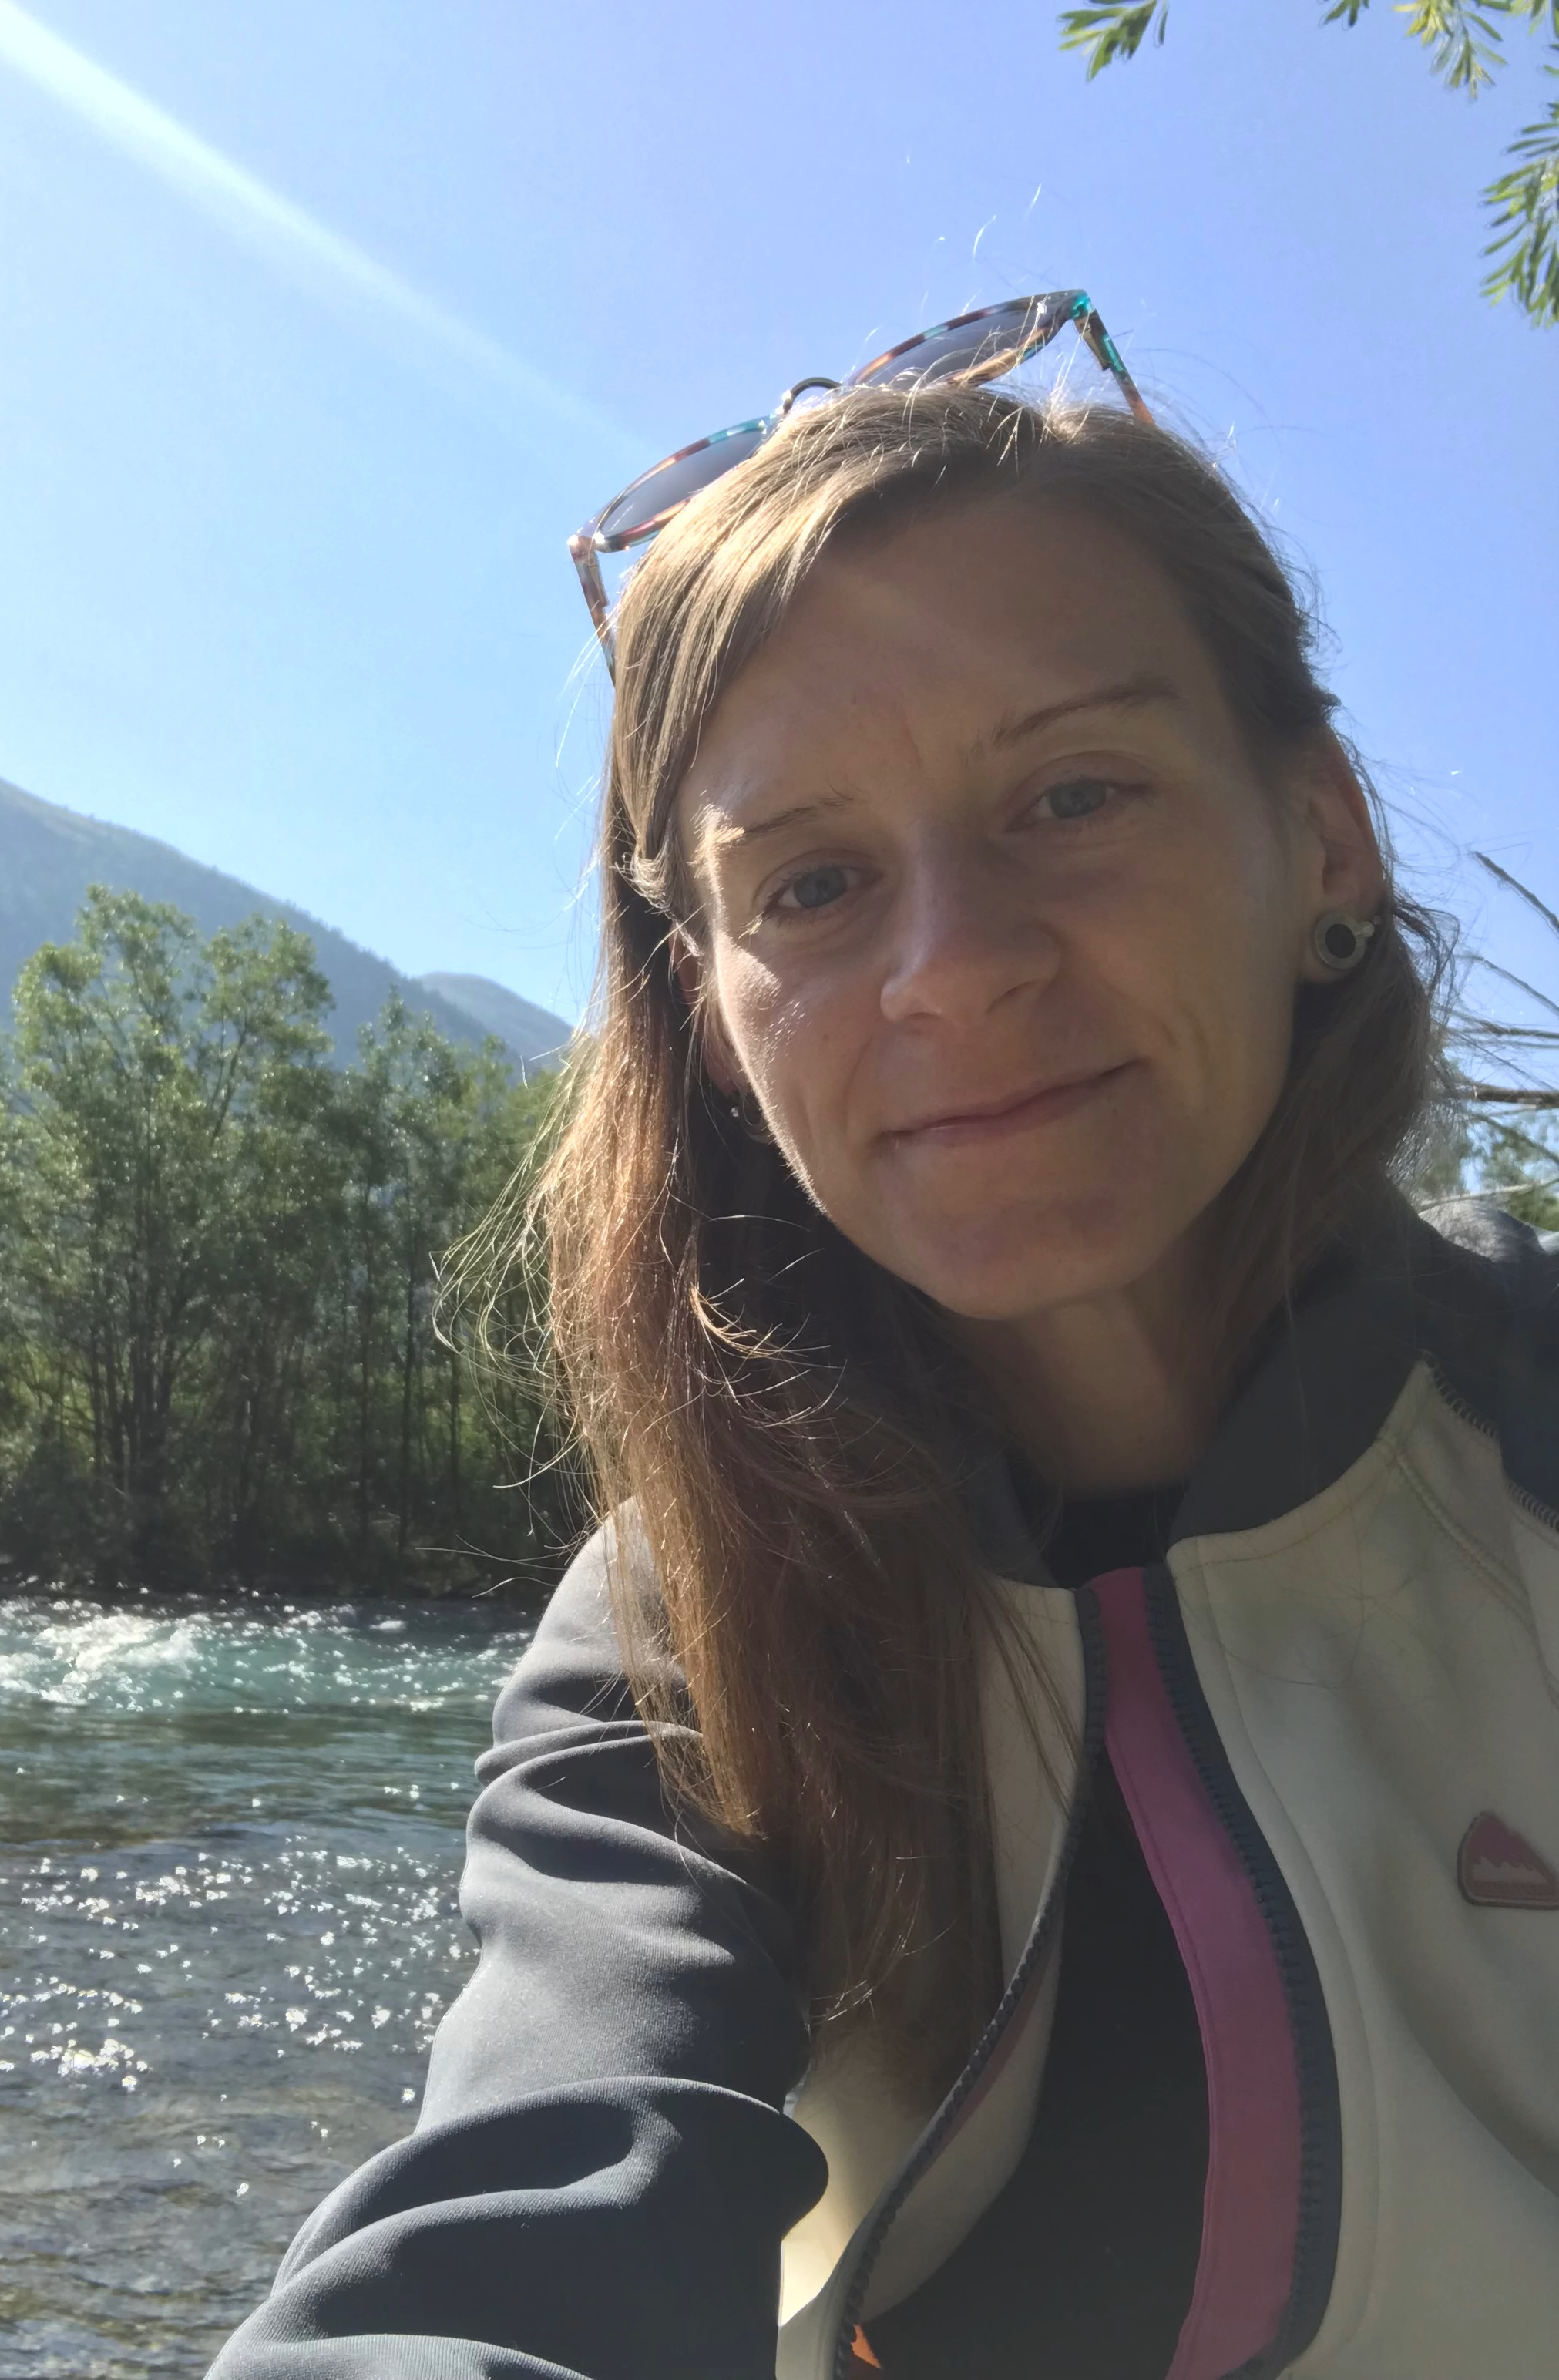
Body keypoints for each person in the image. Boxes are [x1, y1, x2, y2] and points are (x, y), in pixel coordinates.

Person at [210, 326, 1559, 2380]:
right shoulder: (682, 1628)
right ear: (714, 1012)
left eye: (1075, 792)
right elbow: (525, 2222)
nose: (955, 970)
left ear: (1324, 838)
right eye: (815, 886)